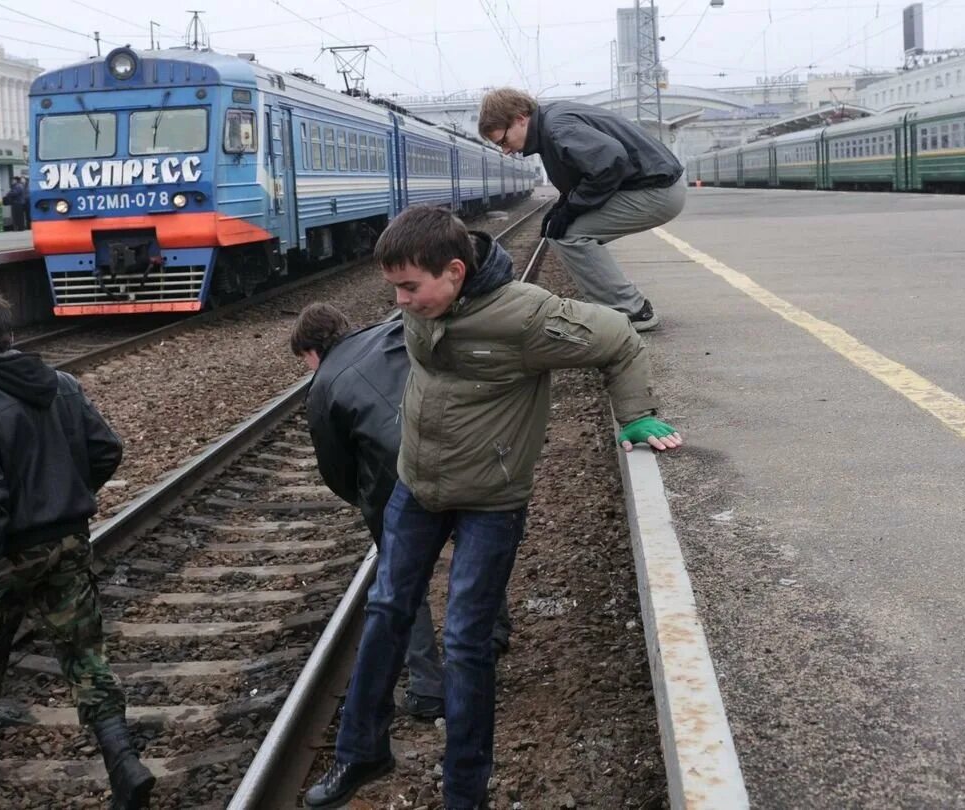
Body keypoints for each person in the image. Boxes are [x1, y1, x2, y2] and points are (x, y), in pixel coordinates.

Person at [304, 206, 683, 810]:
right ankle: (362, 752)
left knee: (466, 639)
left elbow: (618, 339)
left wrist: (634, 415)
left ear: (455, 272)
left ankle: (465, 791)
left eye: (409, 287)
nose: (399, 301)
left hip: (489, 501)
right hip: (417, 487)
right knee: (385, 610)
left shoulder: (526, 317)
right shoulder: (426, 305)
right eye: (394, 288)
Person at [0, 291, 154, 808]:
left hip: (9, 555)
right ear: (10, 337)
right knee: (84, 654)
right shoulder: (63, 387)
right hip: (68, 544)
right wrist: (72, 494)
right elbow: (107, 449)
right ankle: (123, 763)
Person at [291, 303, 514, 722]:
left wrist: (367, 500)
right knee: (474, 538)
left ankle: (428, 688)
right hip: (459, 445)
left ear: (312, 351)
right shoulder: (392, 334)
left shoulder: (321, 386)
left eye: (304, 362)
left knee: (402, 578)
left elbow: (336, 471)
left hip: (399, 481)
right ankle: (492, 634)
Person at [478, 88, 687, 332]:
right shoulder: (551, 123)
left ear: (520, 119)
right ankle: (619, 306)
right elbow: (586, 170)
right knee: (563, 231)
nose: (505, 150)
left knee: (570, 236)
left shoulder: (557, 128)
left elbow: (610, 162)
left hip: (658, 191)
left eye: (502, 141)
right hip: (651, 187)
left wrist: (572, 208)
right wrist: (563, 205)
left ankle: (632, 311)